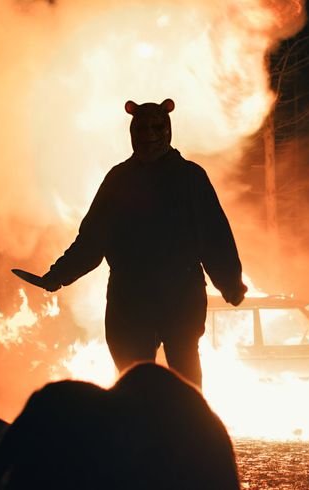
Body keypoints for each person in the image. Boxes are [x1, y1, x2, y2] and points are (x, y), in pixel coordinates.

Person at [32, 98, 246, 387]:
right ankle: (146, 427)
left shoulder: (189, 178)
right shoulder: (120, 179)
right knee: (135, 383)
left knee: (183, 383)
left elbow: (213, 235)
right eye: (141, 129)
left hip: (176, 295)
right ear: (132, 132)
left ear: (167, 129)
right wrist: (60, 273)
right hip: (132, 298)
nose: (148, 135)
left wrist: (230, 281)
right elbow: (93, 238)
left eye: (155, 128)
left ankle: (184, 429)